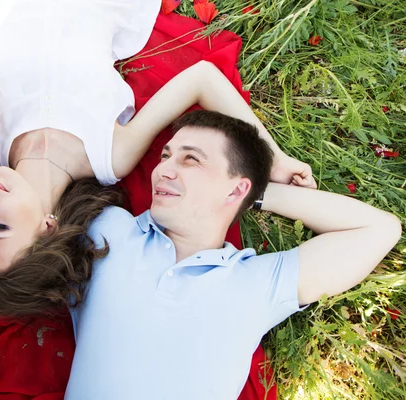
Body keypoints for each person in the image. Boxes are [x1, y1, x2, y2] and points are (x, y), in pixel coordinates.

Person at [0, 0, 315, 315]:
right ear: (48, 226)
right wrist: (273, 158)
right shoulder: (109, 155)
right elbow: (202, 78)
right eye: (0, 226)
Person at [62, 110, 402, 400]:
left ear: (236, 188)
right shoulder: (109, 228)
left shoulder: (257, 282)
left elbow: (379, 229)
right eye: (165, 156)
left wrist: (255, 193)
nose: (162, 170)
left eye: (190, 159)